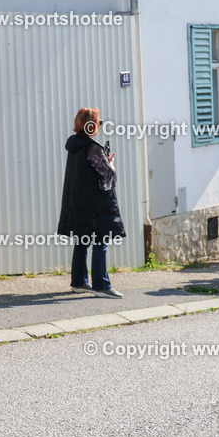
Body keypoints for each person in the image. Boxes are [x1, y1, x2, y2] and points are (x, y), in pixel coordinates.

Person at [57, 107, 127, 299]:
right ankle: (101, 285)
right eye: (97, 122)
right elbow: (107, 175)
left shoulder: (75, 145)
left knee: (82, 241)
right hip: (94, 205)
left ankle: (79, 282)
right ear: (91, 124)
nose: (98, 126)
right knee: (100, 241)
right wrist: (110, 164)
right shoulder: (92, 147)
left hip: (78, 203)